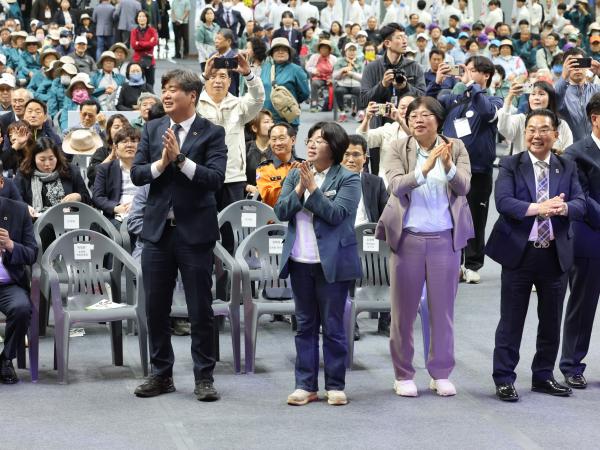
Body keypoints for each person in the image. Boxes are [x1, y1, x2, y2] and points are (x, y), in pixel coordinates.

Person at [130, 69, 227, 402]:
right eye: (164, 90)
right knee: (156, 307)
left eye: (173, 90)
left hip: (195, 233)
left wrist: (181, 160)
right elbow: (137, 173)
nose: (166, 95)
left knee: (201, 308)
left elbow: (215, 178)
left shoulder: (212, 133)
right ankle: (161, 374)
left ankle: (204, 377)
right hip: (157, 233)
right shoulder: (153, 128)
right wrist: (162, 163)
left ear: (192, 96)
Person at [375, 96, 473, 397]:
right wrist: (424, 170)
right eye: (414, 114)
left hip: (445, 239)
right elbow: (395, 186)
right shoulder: (396, 147)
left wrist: (448, 167)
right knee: (403, 312)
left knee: (442, 311)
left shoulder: (455, 147)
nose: (419, 119)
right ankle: (403, 373)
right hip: (408, 239)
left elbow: (465, 187)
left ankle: (440, 372)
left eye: (426, 114)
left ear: (438, 120)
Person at [486, 109, 586, 402]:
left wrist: (563, 208)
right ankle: (504, 378)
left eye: (544, 129)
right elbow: (504, 202)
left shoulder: (566, 166)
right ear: (524, 133)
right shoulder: (510, 164)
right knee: (511, 321)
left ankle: (543, 375)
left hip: (555, 255)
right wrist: (539, 208)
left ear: (555, 134)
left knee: (551, 320)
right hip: (520, 253)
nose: (536, 135)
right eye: (531, 129)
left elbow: (580, 202)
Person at [274, 122, 361, 407]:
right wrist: (300, 186)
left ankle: (335, 385)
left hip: (332, 263)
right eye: (310, 140)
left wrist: (314, 190)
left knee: (334, 326)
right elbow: (281, 210)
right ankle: (305, 385)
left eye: (320, 141)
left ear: (334, 147)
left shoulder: (348, 178)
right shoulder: (294, 174)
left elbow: (337, 215)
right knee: (305, 326)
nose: (311, 145)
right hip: (300, 261)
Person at [427, 55, 503, 284]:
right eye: (465, 69)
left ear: (486, 75)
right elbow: (429, 109)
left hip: (478, 170)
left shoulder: (495, 101)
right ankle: (449, 261)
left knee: (474, 217)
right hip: (448, 167)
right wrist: (437, 83)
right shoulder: (455, 98)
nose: (465, 73)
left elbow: (487, 113)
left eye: (472, 70)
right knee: (445, 214)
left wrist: (474, 87)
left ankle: (472, 264)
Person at [559, 93, 600, 390]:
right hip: (589, 237)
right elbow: (580, 198)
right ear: (595, 118)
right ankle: (572, 364)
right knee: (583, 304)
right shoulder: (576, 152)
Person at [199, 54, 264, 214]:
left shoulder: (239, 105)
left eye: (223, 76)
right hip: (202, 176)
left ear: (229, 81)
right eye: (212, 76)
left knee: (231, 231)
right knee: (202, 229)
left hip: (233, 177)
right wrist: (203, 75)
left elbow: (258, 99)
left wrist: (248, 74)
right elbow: (182, 101)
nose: (217, 81)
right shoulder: (194, 105)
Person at [342, 134, 389, 338]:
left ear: (365, 158)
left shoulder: (375, 182)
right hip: (343, 241)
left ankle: (387, 320)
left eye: (355, 154)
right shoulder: (331, 181)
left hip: (371, 240)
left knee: (393, 260)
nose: (350, 159)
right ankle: (350, 321)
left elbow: (387, 214)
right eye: (346, 154)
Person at [0, 184, 37, 385]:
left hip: (8, 283)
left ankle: (6, 359)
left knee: (22, 308)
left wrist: (10, 245)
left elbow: (32, 253)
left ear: (0, 183)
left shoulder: (18, 210)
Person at [15, 136, 91, 217]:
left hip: (69, 221)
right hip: (34, 222)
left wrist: (78, 197)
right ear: (34, 159)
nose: (47, 164)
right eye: (42, 160)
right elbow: (14, 199)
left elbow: (88, 200)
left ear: (57, 157)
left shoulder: (70, 171)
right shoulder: (24, 174)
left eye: (51, 159)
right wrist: (24, 207)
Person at [499, 80, 573, 154]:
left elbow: (568, 153)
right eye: (533, 94)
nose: (536, 98)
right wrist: (509, 99)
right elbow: (503, 128)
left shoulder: (561, 125)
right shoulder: (520, 120)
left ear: (550, 99)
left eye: (541, 94)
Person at [356, 96, 414, 182]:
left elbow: (416, 140)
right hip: (387, 182)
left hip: (411, 182)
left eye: (410, 108)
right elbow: (363, 138)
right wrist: (367, 118)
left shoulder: (422, 131)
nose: (406, 111)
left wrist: (401, 121)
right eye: (402, 107)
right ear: (397, 109)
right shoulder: (388, 129)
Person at [92, 127, 141, 226]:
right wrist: (116, 208)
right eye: (124, 141)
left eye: (134, 141)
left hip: (142, 213)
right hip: (116, 216)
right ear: (116, 147)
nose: (129, 145)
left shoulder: (148, 168)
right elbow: (97, 197)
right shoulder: (105, 169)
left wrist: (139, 206)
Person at [260, 37, 309, 130]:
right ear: (272, 53)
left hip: (287, 119)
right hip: (267, 119)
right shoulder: (266, 68)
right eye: (277, 50)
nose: (280, 52)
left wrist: (289, 101)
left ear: (289, 53)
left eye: (284, 50)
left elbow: (305, 93)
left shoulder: (296, 70)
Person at [555, 48, 600, 143]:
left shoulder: (596, 89)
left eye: (580, 63)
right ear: (565, 67)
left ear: (587, 66)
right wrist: (563, 76)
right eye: (572, 64)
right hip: (572, 149)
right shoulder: (562, 91)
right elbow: (555, 100)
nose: (577, 68)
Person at [256, 122, 302, 207]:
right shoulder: (263, 168)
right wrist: (288, 178)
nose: (277, 143)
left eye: (281, 138)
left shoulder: (302, 166)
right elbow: (268, 199)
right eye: (273, 139)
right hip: (274, 217)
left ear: (293, 140)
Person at [87, 113, 131, 186]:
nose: (121, 129)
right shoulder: (102, 151)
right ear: (109, 131)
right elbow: (92, 176)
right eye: (116, 127)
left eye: (124, 127)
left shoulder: (136, 149)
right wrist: (111, 157)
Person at [245, 109, 274, 197]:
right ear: (254, 128)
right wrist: (248, 186)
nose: (272, 125)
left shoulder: (279, 148)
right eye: (266, 122)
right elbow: (237, 175)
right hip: (250, 197)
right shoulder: (246, 148)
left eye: (272, 122)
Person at [332, 42, 363, 122]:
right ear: (345, 51)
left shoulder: (360, 62)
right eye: (349, 50)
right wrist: (342, 72)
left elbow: (362, 77)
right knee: (338, 91)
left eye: (354, 50)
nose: (352, 52)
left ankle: (360, 112)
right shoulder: (339, 61)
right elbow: (334, 76)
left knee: (361, 90)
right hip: (342, 84)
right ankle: (342, 113)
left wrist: (351, 74)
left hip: (356, 84)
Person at [306, 40, 337, 113]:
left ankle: (335, 105)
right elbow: (308, 67)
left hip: (330, 78)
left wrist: (332, 79)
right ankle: (314, 105)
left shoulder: (334, 58)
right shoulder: (314, 57)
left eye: (326, 48)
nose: (324, 50)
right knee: (314, 84)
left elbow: (337, 70)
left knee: (337, 85)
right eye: (322, 48)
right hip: (319, 78)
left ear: (329, 50)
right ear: (319, 49)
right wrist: (314, 71)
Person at [130, 10, 158, 88]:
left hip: (149, 60)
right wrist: (148, 43)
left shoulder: (153, 30)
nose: (141, 18)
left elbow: (154, 43)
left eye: (143, 16)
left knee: (150, 83)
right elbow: (133, 45)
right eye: (140, 16)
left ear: (147, 18)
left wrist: (139, 43)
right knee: (137, 83)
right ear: (137, 18)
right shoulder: (133, 31)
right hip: (137, 60)